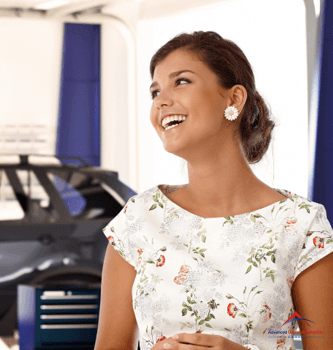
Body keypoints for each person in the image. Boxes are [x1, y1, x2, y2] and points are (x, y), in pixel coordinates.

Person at [95, 31, 333, 350]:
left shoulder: (301, 225)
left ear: (233, 99)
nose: (161, 100)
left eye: (181, 81)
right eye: (155, 91)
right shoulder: (138, 220)